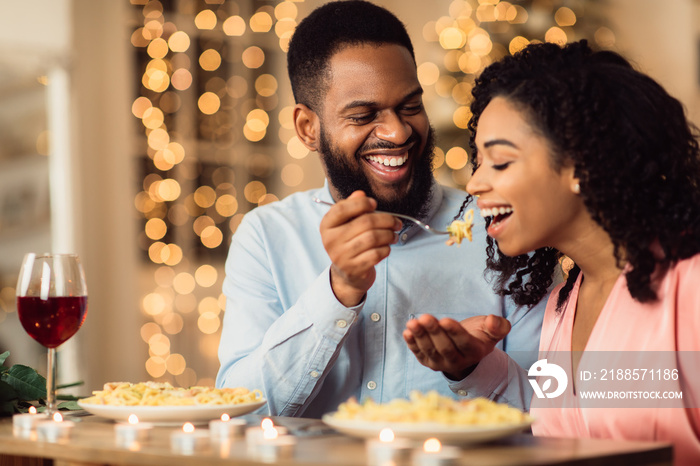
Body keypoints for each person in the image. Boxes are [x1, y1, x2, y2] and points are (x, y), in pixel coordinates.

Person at [216, 0, 547, 418]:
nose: (398, 131)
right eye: (364, 115)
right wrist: (337, 291)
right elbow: (238, 413)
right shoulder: (266, 236)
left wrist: (473, 369)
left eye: (410, 106)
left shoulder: (500, 226)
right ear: (307, 128)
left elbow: (556, 414)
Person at [459, 40, 700, 464]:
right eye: (476, 162)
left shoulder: (691, 283)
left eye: (498, 163)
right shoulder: (561, 305)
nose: (474, 183)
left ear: (580, 166)